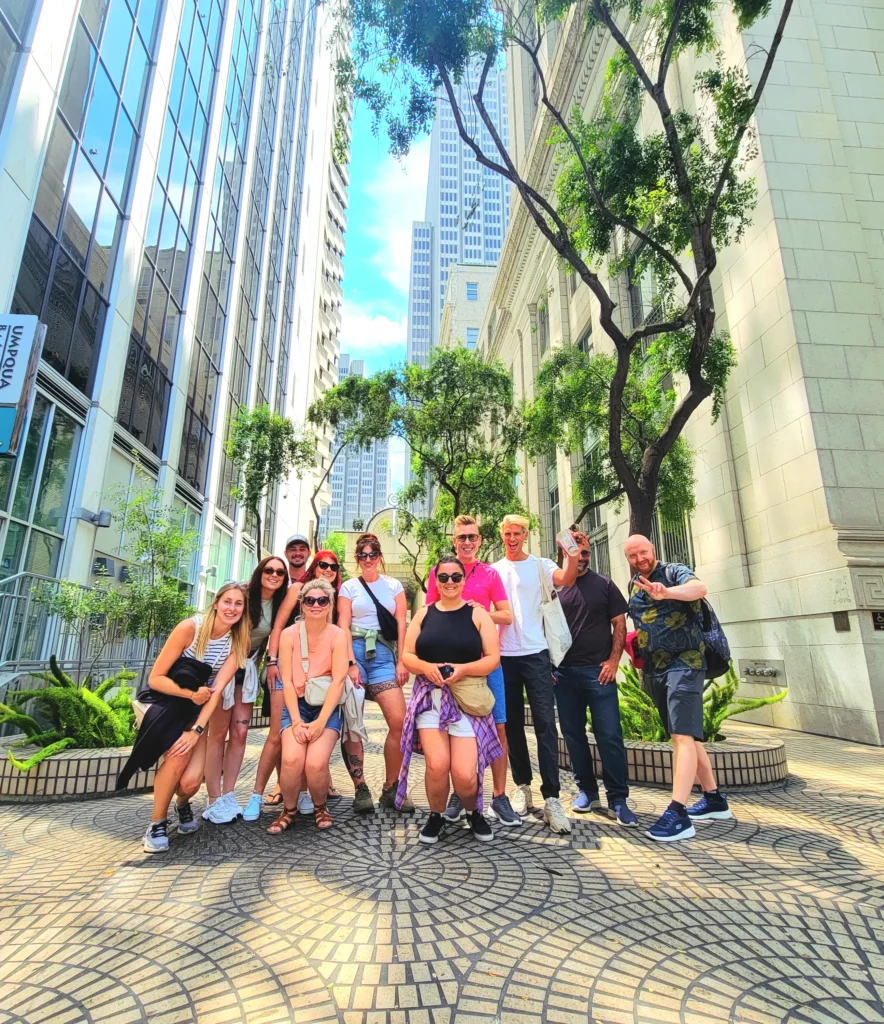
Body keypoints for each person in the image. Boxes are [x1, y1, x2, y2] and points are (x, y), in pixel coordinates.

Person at [118, 583, 251, 853]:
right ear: (216, 603)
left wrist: (197, 730)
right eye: (227, 602)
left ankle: (182, 803)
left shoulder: (239, 641)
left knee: (191, 782)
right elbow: (155, 679)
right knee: (177, 758)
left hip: (197, 712)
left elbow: (216, 692)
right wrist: (190, 694)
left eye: (238, 604)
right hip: (169, 702)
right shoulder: (190, 628)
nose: (232, 608)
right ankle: (156, 824)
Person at [624, 534, 732, 842]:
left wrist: (667, 592)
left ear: (652, 549)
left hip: (686, 664)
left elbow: (699, 588)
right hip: (656, 669)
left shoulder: (674, 571)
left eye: (643, 552)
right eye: (632, 555)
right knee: (685, 735)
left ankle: (678, 814)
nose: (639, 559)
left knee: (681, 736)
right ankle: (714, 799)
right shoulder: (634, 584)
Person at [259, 550, 374, 815]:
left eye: (334, 566)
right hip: (294, 682)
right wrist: (272, 660)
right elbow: (278, 627)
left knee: (316, 760)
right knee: (284, 745)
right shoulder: (298, 594)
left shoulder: (338, 605)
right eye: (323, 564)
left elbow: (338, 675)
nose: (328, 569)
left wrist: (351, 663)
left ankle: (321, 792)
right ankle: (278, 791)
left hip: (323, 693)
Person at [400, 555, 503, 845]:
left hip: (466, 699)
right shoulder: (424, 614)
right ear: (436, 581)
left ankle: (473, 812)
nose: (449, 582)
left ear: (463, 580)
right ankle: (436, 815)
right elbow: (407, 654)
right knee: (437, 764)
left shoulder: (478, 614)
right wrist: (426, 668)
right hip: (431, 698)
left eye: (455, 577)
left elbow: (493, 659)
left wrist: (464, 670)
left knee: (464, 775)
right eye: (443, 577)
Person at [425, 515, 520, 826]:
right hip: (450, 669)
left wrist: (480, 612)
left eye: (472, 537)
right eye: (462, 537)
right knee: (452, 729)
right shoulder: (439, 573)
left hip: (486, 664)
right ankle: (460, 793)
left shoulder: (490, 574)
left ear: (479, 541)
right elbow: (428, 614)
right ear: (454, 541)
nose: (467, 542)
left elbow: (507, 616)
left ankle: (500, 796)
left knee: (499, 727)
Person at [492, 514, 579, 834]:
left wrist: (571, 554)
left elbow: (566, 578)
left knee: (545, 723)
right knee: (512, 724)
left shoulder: (540, 565)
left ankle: (552, 798)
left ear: (526, 534)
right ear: (502, 535)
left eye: (517, 533)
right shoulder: (494, 570)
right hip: (504, 656)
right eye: (507, 533)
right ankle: (522, 786)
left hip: (537, 653)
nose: (512, 538)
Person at [553, 529, 638, 827]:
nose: (581, 557)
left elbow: (619, 624)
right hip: (563, 675)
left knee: (610, 735)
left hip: (598, 674)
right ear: (565, 553)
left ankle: (618, 799)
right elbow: (544, 627)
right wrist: (550, 666)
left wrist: (614, 661)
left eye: (586, 552)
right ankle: (587, 792)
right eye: (576, 552)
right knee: (573, 735)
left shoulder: (604, 584)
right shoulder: (555, 587)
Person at [203, 556, 289, 824]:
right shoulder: (242, 595)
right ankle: (213, 798)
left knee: (240, 733)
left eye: (280, 572)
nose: (274, 575)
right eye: (269, 570)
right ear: (259, 572)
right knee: (218, 734)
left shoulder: (280, 603)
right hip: (222, 666)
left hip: (247, 669)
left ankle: (229, 794)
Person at [338, 533, 413, 812]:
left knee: (399, 721)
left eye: (372, 554)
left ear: (380, 557)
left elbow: (402, 624)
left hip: (382, 655)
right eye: (363, 555)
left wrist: (402, 661)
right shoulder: (348, 587)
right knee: (353, 723)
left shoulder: (393, 585)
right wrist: (350, 663)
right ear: (357, 558)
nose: (368, 559)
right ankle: (360, 788)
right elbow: (343, 626)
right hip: (355, 652)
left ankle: (391, 787)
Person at [267, 578, 348, 832]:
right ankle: (288, 810)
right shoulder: (289, 635)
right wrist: (296, 721)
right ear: (302, 604)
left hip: (326, 707)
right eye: (310, 600)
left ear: (330, 604)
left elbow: (339, 681)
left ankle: (320, 807)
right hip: (297, 705)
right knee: (291, 759)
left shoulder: (338, 635)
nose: (316, 605)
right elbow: (287, 681)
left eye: (322, 600)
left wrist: (321, 722)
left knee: (315, 763)